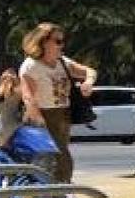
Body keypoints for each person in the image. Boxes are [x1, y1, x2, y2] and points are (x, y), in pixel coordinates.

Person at [18, 22, 97, 183]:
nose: (62, 45)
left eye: (62, 40)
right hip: (43, 117)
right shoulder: (31, 66)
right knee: (57, 162)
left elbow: (89, 71)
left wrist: (88, 82)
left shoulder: (62, 62)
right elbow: (28, 98)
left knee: (60, 161)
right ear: (43, 42)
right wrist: (40, 125)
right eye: (58, 41)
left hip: (63, 116)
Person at [0, 68, 59, 172]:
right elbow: (28, 108)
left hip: (3, 128)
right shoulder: (19, 92)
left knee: (5, 155)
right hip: (16, 127)